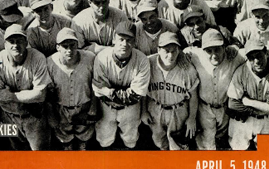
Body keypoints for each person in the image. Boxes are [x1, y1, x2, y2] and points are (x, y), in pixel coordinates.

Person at [0, 24, 52, 150]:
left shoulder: (37, 57)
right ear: (5, 45)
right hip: (9, 116)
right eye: (11, 41)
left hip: (34, 116)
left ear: (26, 42)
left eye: (19, 41)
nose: (15, 45)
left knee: (40, 151)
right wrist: (28, 95)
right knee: (18, 151)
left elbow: (40, 95)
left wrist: (12, 95)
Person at [227, 39, 269, 150]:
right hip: (246, 118)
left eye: (259, 56)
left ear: (266, 54)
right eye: (252, 58)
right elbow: (232, 104)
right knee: (239, 149)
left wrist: (250, 102)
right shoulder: (241, 71)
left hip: (268, 118)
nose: (256, 61)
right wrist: (260, 109)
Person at [93, 21, 150, 149]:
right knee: (104, 139)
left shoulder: (142, 60)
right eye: (121, 39)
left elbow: (136, 95)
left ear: (135, 42)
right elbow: (98, 89)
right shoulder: (101, 57)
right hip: (106, 107)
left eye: (129, 40)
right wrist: (108, 92)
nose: (124, 44)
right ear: (114, 39)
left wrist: (109, 92)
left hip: (131, 108)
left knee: (130, 139)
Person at [142, 31, 199, 150]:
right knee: (159, 141)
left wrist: (192, 118)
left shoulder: (187, 69)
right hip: (155, 108)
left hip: (178, 110)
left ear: (179, 50)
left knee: (178, 145)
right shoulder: (148, 63)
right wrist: (143, 111)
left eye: (174, 51)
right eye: (166, 51)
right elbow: (143, 90)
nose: (171, 55)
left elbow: (193, 95)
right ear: (158, 50)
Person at [46, 28, 97, 150]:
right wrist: (51, 112)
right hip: (61, 107)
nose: (69, 50)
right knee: (64, 133)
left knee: (84, 133)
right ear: (58, 47)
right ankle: (67, 148)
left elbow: (95, 85)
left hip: (84, 105)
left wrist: (93, 107)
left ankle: (82, 148)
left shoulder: (90, 58)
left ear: (77, 45)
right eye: (65, 46)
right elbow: (48, 91)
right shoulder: (50, 62)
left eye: (72, 45)